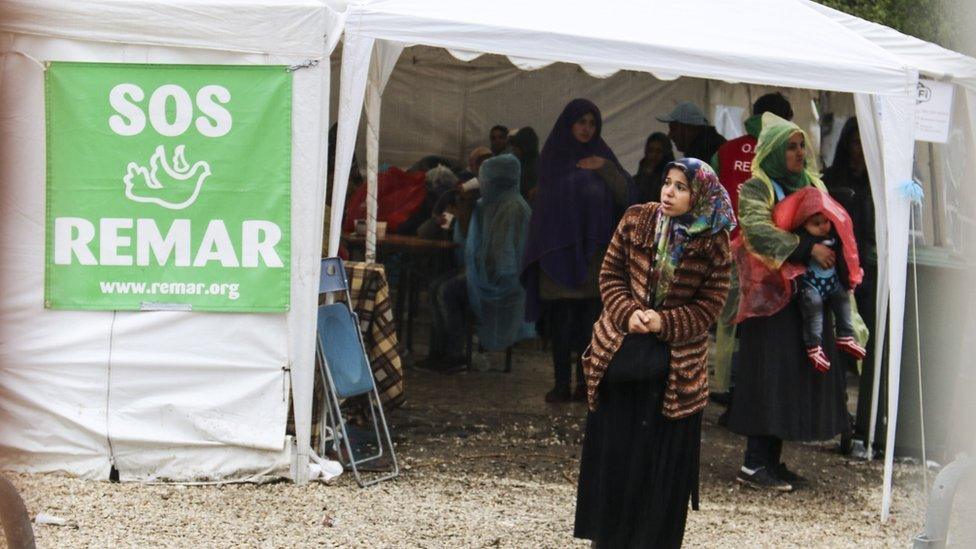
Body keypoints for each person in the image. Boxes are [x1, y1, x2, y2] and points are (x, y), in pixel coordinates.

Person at [574, 158, 735, 547]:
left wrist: (666, 323)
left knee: (658, 468)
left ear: (698, 194)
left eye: (681, 186)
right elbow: (610, 274)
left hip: (674, 371)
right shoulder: (636, 220)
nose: (669, 192)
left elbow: (711, 303)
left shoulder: (713, 240)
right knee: (617, 457)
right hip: (622, 356)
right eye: (667, 183)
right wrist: (628, 314)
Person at [726, 113, 849, 492]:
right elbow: (757, 233)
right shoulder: (756, 189)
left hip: (803, 299)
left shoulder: (811, 184)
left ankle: (772, 461)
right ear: (775, 152)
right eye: (790, 147)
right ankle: (753, 464)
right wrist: (808, 247)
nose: (798, 153)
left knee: (788, 377)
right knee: (768, 375)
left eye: (801, 146)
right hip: (768, 301)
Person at [521, 98, 635, 403]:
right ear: (568, 124)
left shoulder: (602, 155)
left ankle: (588, 385)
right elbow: (546, 204)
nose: (586, 129)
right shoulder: (552, 157)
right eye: (581, 122)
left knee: (590, 327)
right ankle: (561, 384)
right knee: (561, 327)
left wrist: (604, 168)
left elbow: (627, 193)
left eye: (592, 123)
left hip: (593, 260)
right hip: (557, 255)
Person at [710, 92, 794, 416]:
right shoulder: (782, 150)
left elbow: (713, 197)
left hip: (729, 248)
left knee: (731, 323)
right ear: (784, 117)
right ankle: (749, 398)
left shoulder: (727, 150)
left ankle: (730, 392)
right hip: (768, 255)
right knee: (760, 327)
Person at [822, 117, 878, 445]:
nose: (858, 151)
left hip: (867, 275)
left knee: (863, 343)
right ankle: (839, 417)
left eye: (863, 144)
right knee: (838, 346)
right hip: (838, 275)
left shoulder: (877, 185)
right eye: (854, 143)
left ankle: (863, 421)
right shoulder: (832, 181)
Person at [465, 154, 536, 353]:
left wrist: (488, 274)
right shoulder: (493, 205)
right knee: (441, 287)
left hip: (502, 282)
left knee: (445, 291)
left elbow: (504, 261)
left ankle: (453, 354)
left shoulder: (511, 207)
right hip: (492, 275)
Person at [656, 101, 726, 164]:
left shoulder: (697, 158)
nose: (669, 135)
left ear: (689, 129)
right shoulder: (716, 146)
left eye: (673, 129)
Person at [633, 132, 675, 202]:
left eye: (659, 151)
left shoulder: (672, 180)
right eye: (651, 150)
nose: (654, 155)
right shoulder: (636, 180)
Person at [509, 127, 540, 201]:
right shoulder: (539, 163)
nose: (513, 149)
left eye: (516, 146)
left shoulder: (530, 168)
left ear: (523, 147)